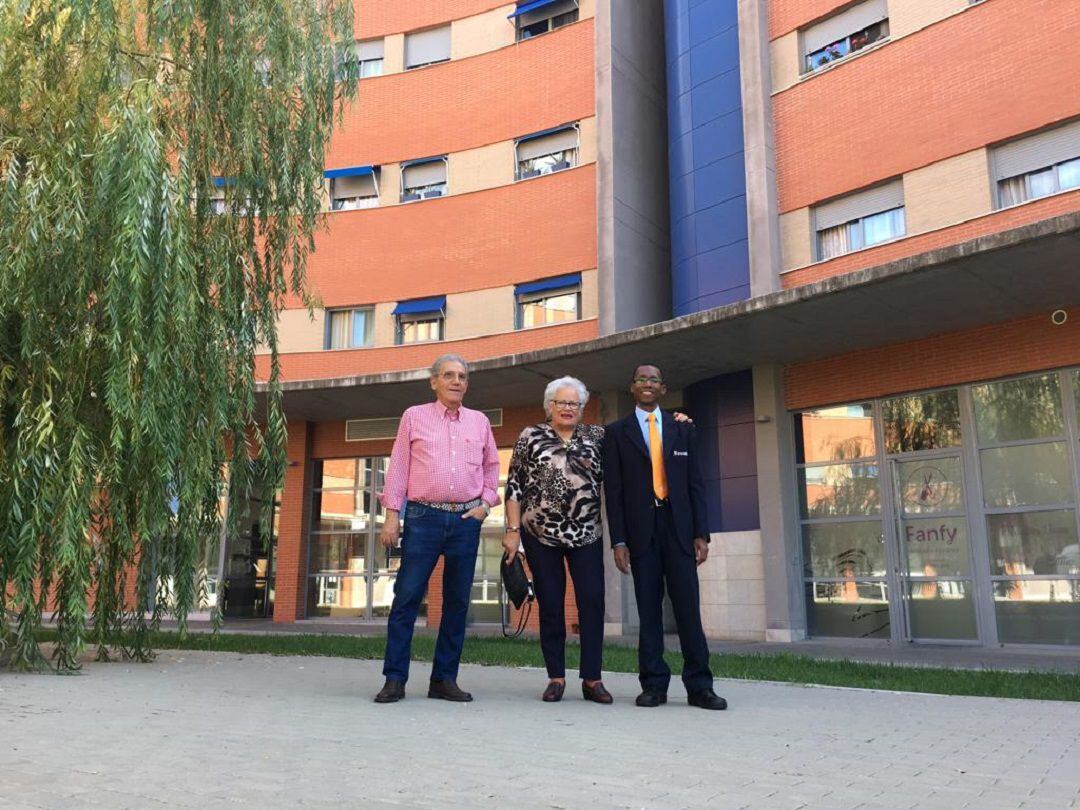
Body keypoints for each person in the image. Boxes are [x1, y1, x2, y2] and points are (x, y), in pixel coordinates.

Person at [374, 354, 500, 704]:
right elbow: (398, 466)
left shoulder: (479, 422)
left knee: (457, 603)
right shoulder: (414, 417)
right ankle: (394, 679)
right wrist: (391, 515)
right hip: (423, 518)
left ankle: (444, 680)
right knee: (407, 598)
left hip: (465, 521)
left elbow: (492, 468)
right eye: (448, 375)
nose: (456, 381)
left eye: (462, 375)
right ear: (434, 382)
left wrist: (485, 505)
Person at [602, 364, 727, 710]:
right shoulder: (616, 433)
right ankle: (654, 685)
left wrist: (701, 533)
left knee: (688, 609)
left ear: (663, 388)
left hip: (680, 530)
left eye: (653, 379)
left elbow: (696, 483)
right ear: (632, 387)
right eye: (640, 378)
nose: (647, 384)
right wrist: (619, 541)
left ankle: (700, 686)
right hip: (641, 534)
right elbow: (614, 492)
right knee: (649, 611)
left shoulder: (682, 428)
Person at [503, 376, 612, 704]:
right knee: (551, 603)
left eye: (574, 404)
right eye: (561, 403)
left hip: (587, 532)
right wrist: (511, 532)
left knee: (592, 601)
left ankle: (592, 679)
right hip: (540, 535)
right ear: (549, 406)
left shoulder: (598, 436)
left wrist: (677, 419)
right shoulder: (530, 436)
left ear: (582, 408)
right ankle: (556, 678)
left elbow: (632, 454)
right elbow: (514, 486)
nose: (568, 408)